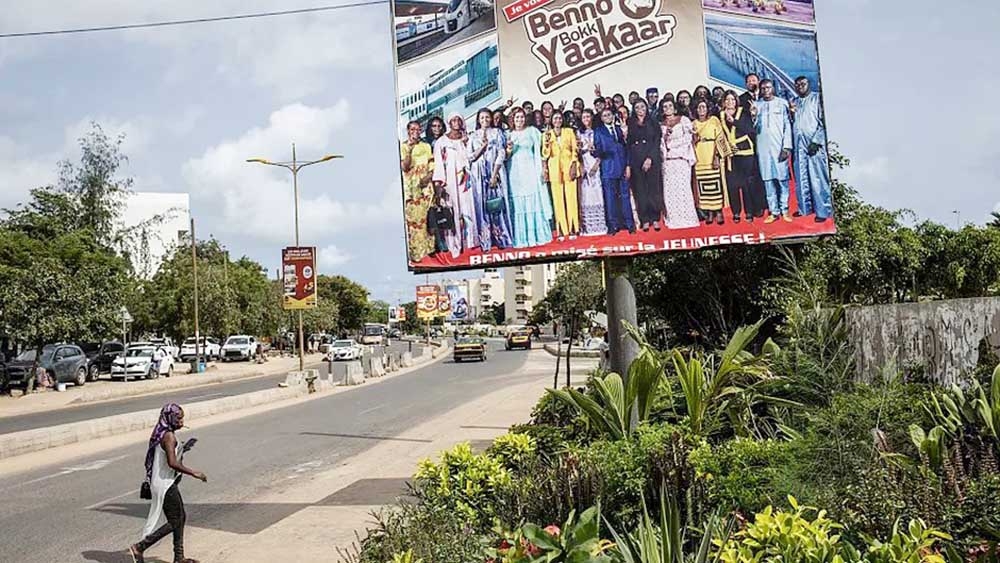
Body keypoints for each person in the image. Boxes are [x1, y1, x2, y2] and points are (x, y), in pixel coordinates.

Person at [129, 403, 207, 563]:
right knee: (175, 520)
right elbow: (172, 463)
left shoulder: (163, 433)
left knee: (180, 517)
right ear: (170, 418)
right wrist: (194, 473)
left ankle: (179, 557)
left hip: (163, 482)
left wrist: (182, 449)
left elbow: (167, 458)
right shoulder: (168, 437)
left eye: (182, 418)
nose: (181, 422)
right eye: (178, 418)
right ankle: (140, 547)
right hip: (165, 484)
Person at [506, 107, 554, 247]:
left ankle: (537, 237)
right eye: (517, 117)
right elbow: (506, 156)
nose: (519, 120)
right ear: (512, 120)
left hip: (531, 170)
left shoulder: (532, 131)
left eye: (521, 117)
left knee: (533, 199)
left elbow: (543, 150)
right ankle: (521, 239)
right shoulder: (508, 134)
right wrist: (508, 149)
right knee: (518, 203)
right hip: (515, 172)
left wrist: (543, 168)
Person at [433, 113, 480, 255]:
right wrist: (440, 185)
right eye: (453, 120)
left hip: (465, 179)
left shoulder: (467, 139)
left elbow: (470, 158)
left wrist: (467, 144)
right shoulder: (442, 141)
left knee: (468, 209)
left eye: (458, 119)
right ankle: (455, 245)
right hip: (449, 181)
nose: (456, 122)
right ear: (449, 122)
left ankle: (470, 242)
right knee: (453, 213)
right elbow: (439, 164)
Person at [469, 108, 514, 251]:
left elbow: (501, 153)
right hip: (479, 174)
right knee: (482, 207)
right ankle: (486, 242)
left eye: (487, 117)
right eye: (482, 118)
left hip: (496, 171)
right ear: (478, 120)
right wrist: (482, 147)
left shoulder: (497, 132)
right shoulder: (473, 136)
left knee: (498, 205)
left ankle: (503, 239)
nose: (485, 120)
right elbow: (470, 157)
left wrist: (494, 174)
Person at [791, 76, 832, 222]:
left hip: (813, 144)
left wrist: (816, 141)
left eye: (803, 83)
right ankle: (805, 208)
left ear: (809, 84)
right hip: (798, 144)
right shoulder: (794, 102)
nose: (800, 86)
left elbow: (823, 123)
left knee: (818, 177)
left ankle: (823, 211)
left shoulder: (816, 99)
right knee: (801, 177)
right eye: (797, 84)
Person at [720, 90, 762, 223]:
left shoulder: (743, 112)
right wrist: (726, 149)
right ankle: (736, 212)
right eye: (727, 100)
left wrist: (734, 122)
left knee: (746, 184)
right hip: (730, 154)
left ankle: (749, 211)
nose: (730, 102)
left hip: (745, 152)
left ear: (736, 101)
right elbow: (719, 135)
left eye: (732, 99)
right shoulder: (720, 115)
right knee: (732, 185)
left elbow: (750, 129)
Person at [755, 79, 794, 223]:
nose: (766, 90)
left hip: (779, 147)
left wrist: (786, 147)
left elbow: (787, 126)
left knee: (782, 179)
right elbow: (754, 128)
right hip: (763, 149)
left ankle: (784, 210)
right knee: (768, 181)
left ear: (773, 88)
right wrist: (754, 116)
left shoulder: (782, 103)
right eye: (763, 88)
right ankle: (774, 211)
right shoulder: (756, 105)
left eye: (768, 87)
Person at [593, 107, 635, 235]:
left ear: (613, 116)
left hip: (622, 167)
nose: (607, 117)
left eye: (609, 115)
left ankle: (629, 224)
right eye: (604, 115)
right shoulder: (598, 131)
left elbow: (627, 147)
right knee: (610, 199)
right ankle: (613, 226)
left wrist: (628, 166)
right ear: (601, 118)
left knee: (625, 197)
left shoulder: (619, 129)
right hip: (608, 169)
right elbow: (598, 150)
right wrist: (594, 151)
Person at [660, 100, 700, 229]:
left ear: (675, 108)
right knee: (670, 190)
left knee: (683, 189)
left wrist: (672, 146)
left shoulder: (684, 120)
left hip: (681, 158)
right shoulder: (661, 125)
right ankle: (673, 219)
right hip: (668, 162)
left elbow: (688, 139)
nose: (668, 108)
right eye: (665, 106)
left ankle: (687, 218)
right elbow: (661, 145)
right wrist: (666, 139)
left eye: (670, 106)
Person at [626, 99, 664, 231]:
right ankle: (645, 219)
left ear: (646, 108)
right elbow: (629, 144)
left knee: (653, 190)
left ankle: (655, 218)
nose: (640, 109)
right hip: (636, 160)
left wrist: (650, 158)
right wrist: (630, 164)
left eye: (642, 106)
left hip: (651, 159)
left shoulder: (653, 122)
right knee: (640, 190)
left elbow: (656, 141)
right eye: (637, 107)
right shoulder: (630, 123)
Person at [401, 120, 435, 262]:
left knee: (427, 218)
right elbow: (405, 167)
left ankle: (429, 251)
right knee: (414, 221)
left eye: (417, 129)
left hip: (425, 186)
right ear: (408, 131)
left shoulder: (426, 146)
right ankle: (416, 254)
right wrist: (410, 149)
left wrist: (427, 178)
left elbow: (432, 164)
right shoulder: (403, 146)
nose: (415, 131)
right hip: (411, 188)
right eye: (412, 129)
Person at [542, 111, 580, 239]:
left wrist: (574, 164)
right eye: (555, 118)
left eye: (559, 118)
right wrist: (546, 142)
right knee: (558, 199)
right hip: (554, 169)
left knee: (571, 197)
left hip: (569, 166)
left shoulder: (569, 131)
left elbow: (575, 149)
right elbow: (545, 154)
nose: (557, 120)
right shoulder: (546, 134)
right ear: (551, 120)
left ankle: (573, 228)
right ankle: (562, 230)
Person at [692, 99, 730, 224]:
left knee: (716, 185)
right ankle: (709, 212)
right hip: (699, 157)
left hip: (711, 153)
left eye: (704, 107)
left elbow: (720, 138)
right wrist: (694, 140)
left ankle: (718, 212)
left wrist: (717, 156)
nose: (701, 110)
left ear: (708, 108)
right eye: (699, 107)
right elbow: (690, 142)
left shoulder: (714, 120)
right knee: (703, 186)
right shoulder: (693, 123)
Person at [576, 109, 607, 236]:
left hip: (596, 163)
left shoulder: (598, 132)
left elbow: (602, 149)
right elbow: (577, 152)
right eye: (584, 117)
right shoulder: (578, 133)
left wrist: (597, 163)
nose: (586, 119)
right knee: (586, 194)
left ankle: (600, 226)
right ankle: (587, 227)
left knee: (597, 192)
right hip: (585, 163)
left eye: (588, 117)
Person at [426, 190, 456, 255]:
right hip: (433, 211)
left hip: (441, 215)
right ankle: (441, 249)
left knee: (442, 232)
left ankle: (444, 248)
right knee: (437, 232)